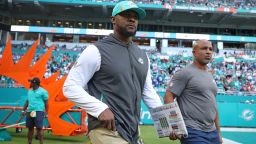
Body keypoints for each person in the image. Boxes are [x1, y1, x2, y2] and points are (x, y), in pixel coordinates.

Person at [63, 1, 162, 144]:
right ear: (113, 20)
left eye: (135, 16)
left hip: (133, 130)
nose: (132, 19)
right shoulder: (95, 50)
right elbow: (70, 87)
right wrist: (100, 109)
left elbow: (148, 93)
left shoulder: (142, 55)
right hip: (105, 129)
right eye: (126, 15)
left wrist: (167, 121)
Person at [164, 40, 223, 144]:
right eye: (204, 48)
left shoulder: (210, 75)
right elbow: (168, 96)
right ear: (194, 52)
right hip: (192, 131)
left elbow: (213, 105)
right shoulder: (184, 73)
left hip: (212, 132)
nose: (208, 51)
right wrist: (174, 125)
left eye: (210, 49)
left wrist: (218, 133)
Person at [21, 77, 48, 144]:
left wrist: (46, 112)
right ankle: (29, 142)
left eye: (31, 82)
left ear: (35, 83)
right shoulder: (29, 91)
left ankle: (41, 143)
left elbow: (46, 103)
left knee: (39, 128)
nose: (30, 83)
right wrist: (23, 111)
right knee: (30, 128)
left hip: (39, 111)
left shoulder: (43, 91)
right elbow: (27, 102)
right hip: (30, 111)